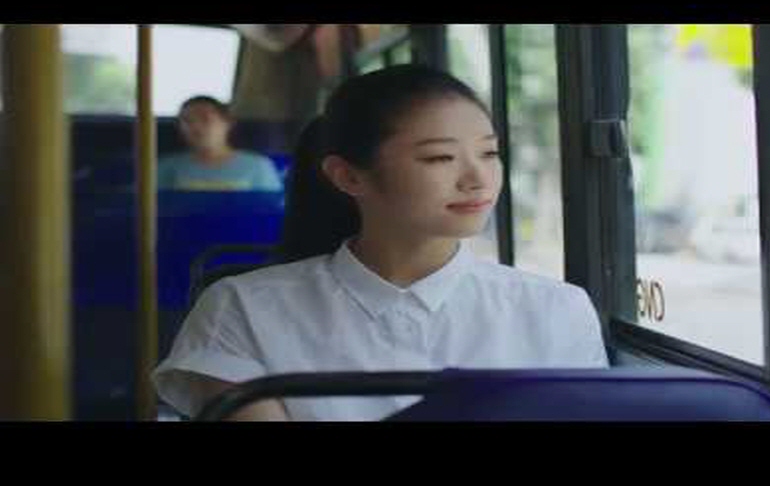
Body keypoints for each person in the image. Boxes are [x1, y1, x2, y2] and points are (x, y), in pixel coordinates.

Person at [152, 66, 608, 421]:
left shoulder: (556, 310)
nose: (478, 179)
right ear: (348, 176)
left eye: (490, 153)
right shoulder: (241, 310)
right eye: (440, 157)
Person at [157, 96, 283, 192]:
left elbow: (271, 210)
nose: (196, 127)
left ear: (228, 123)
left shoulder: (258, 166)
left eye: (205, 119)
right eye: (187, 121)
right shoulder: (165, 167)